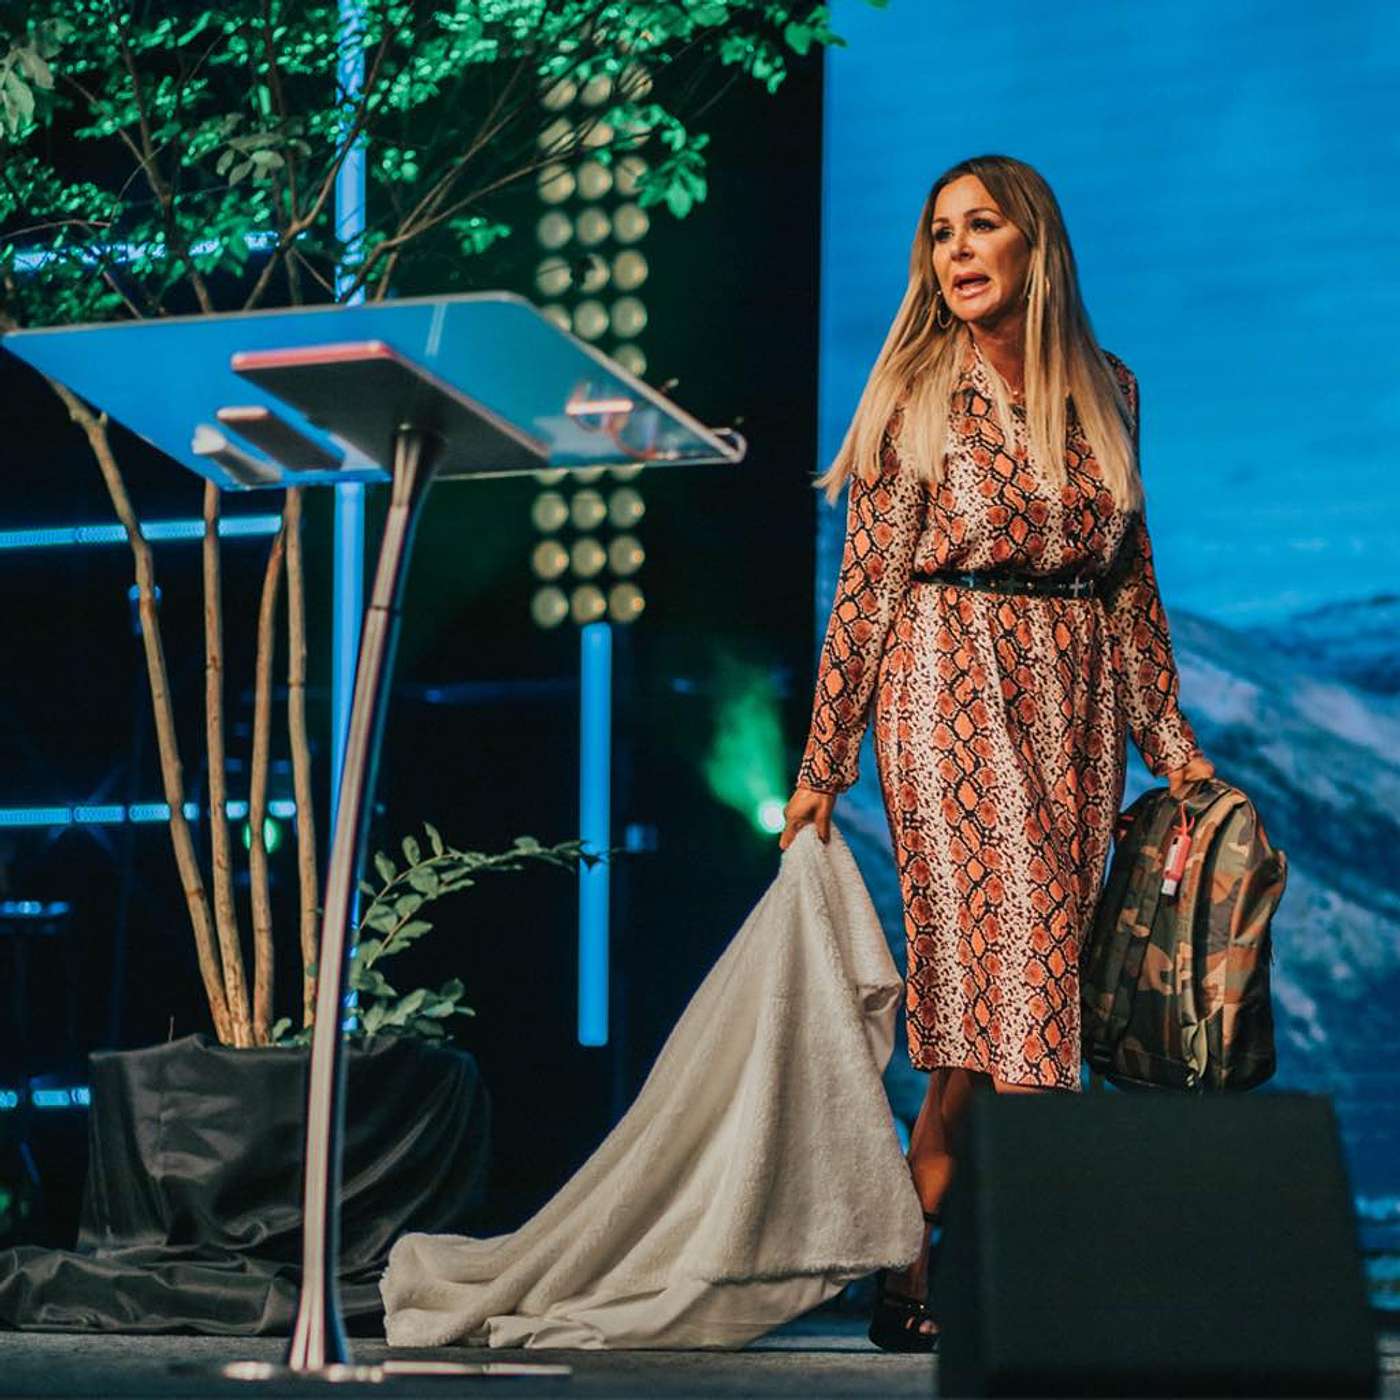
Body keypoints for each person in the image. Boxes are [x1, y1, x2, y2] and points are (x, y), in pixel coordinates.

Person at [778, 153, 1215, 1351]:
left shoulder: (1109, 387)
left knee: (996, 1011)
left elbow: (1129, 588)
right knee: (1022, 973)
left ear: (1034, 243)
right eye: (939, 234)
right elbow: (864, 593)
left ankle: (907, 1274)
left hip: (1074, 700)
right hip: (946, 681)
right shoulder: (913, 388)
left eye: (979, 226)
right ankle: (1045, 1283)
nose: (956, 251)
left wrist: (1173, 752)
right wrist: (822, 764)